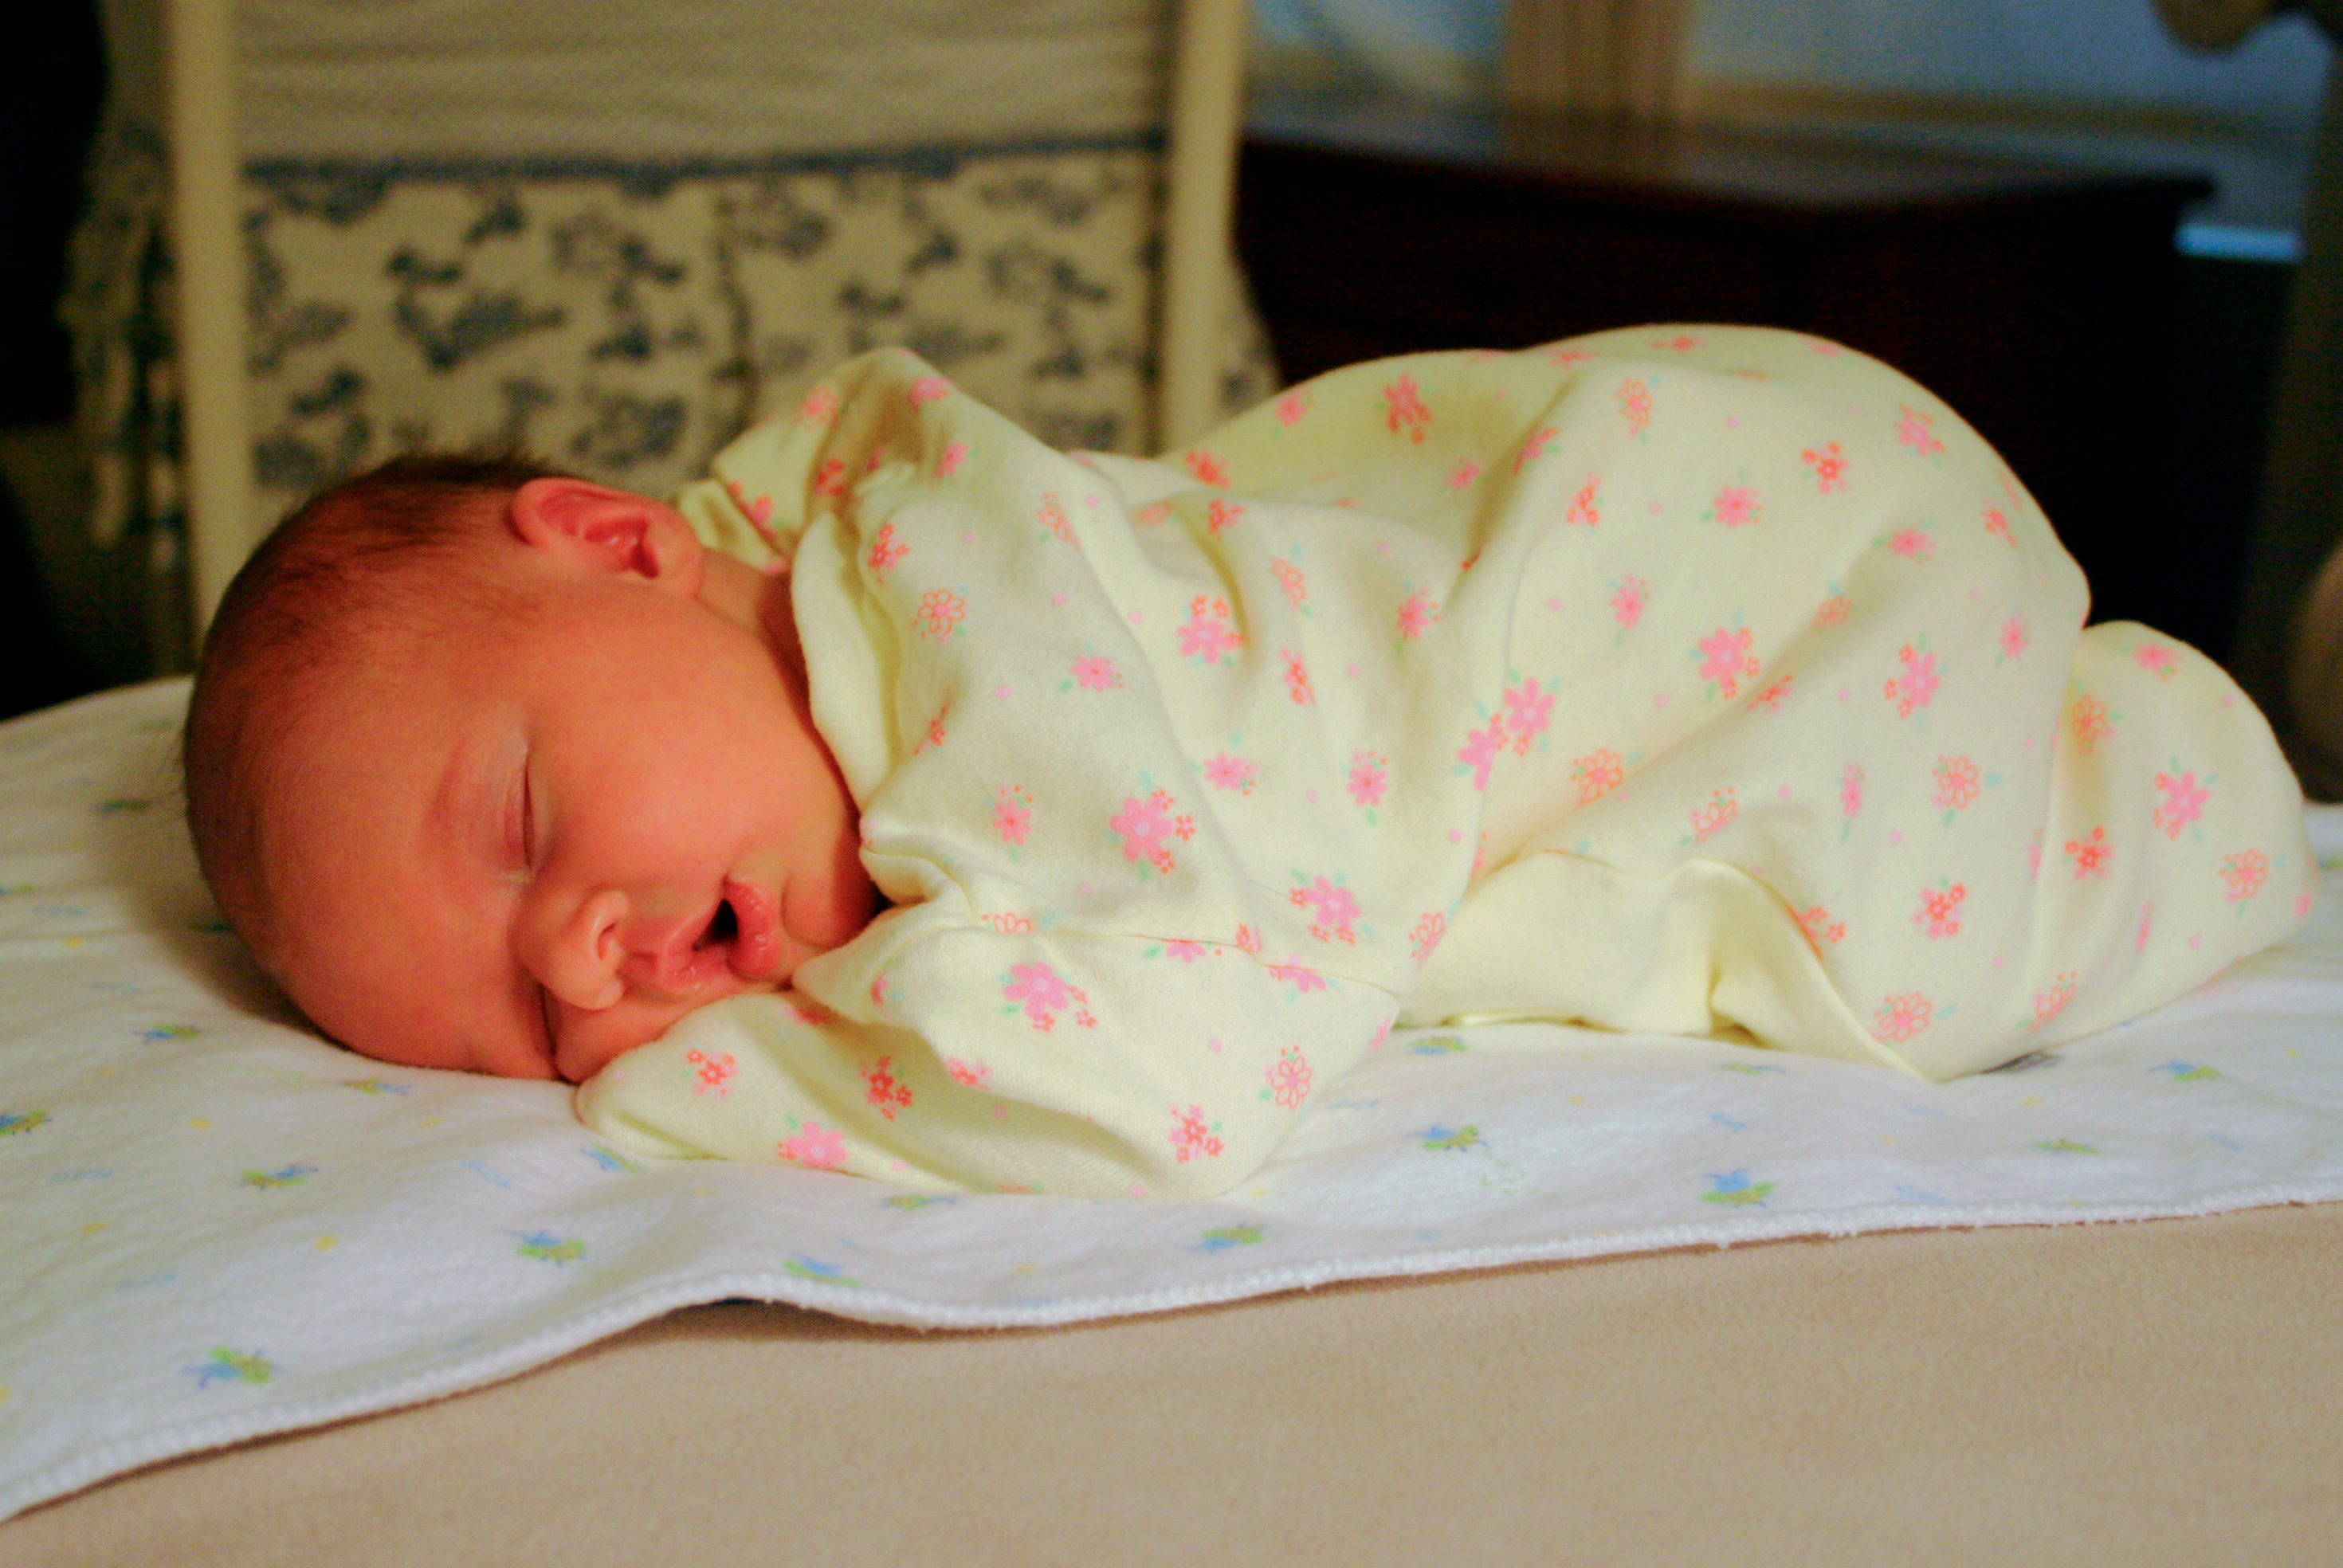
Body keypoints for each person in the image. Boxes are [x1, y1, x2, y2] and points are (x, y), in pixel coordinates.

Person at [183, 325, 2314, 1198]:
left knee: (1923, 944)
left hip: (1772, 611)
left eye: (525, 828)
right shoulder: (832, 578)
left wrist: (685, 1091)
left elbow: (1155, 1091)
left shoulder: (983, 652)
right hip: (1757, 463)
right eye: (512, 1027)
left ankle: (2194, 755)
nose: (587, 967)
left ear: (623, 539)